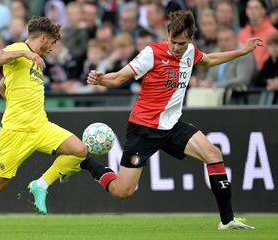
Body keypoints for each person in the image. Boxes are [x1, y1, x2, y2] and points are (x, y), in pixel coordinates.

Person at [81, 10, 261, 230]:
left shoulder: (190, 52)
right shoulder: (151, 53)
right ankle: (84, 162)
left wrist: (244, 50)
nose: (176, 48)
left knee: (213, 154)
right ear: (167, 35)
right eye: (173, 42)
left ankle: (227, 219)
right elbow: (119, 76)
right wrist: (100, 80)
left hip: (172, 126)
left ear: (190, 39)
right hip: (143, 129)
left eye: (182, 43)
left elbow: (210, 60)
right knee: (122, 191)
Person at [0, 16, 87, 234]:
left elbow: (2, 86)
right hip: (15, 132)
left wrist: (15, 96)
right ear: (43, 37)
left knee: (79, 150)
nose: (52, 48)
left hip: (40, 126)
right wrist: (23, 53)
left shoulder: (35, 60)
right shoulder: (19, 49)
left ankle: (40, 185)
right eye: (52, 42)